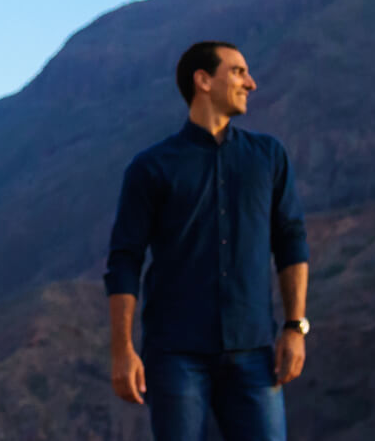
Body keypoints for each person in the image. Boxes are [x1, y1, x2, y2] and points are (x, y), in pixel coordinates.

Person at [103, 40, 311, 441]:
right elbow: (124, 260)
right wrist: (122, 350)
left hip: (254, 350)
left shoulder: (268, 157)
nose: (250, 83)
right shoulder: (151, 167)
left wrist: (294, 327)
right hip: (175, 355)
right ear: (203, 80)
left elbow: (291, 240)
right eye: (237, 72)